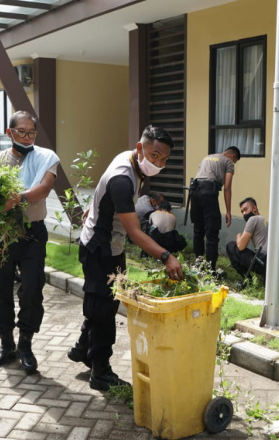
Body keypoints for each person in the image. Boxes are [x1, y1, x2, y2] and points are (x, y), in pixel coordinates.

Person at [68, 125, 184, 391]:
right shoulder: (123, 177)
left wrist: (94, 205)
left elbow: (102, 188)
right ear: (140, 147)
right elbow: (135, 231)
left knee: (104, 303)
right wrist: (166, 256)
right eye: (155, 155)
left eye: (164, 159)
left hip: (111, 246)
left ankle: (82, 348)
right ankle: (100, 373)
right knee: (104, 312)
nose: (159, 163)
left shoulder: (131, 161)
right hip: (100, 250)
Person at [0, 111, 59, 374]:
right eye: (22, 132)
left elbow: (43, 190)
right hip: (1, 234)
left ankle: (25, 343)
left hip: (32, 234)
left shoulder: (46, 158)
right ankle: (6, 344)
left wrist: (15, 200)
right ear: (9, 133)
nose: (27, 137)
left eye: (32, 133)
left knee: (31, 289)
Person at [190, 146, 240, 271]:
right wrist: (228, 211)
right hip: (209, 194)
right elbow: (227, 187)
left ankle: (198, 263)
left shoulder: (207, 157)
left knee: (198, 229)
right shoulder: (228, 162)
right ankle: (210, 268)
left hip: (194, 192)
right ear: (233, 156)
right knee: (212, 231)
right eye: (235, 161)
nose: (233, 164)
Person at [226, 197, 279, 278]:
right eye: (242, 211)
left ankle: (247, 279)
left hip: (266, 263)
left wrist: (238, 235)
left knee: (231, 246)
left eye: (245, 209)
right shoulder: (267, 221)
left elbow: (241, 246)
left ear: (254, 208)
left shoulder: (253, 219)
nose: (244, 213)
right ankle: (266, 278)